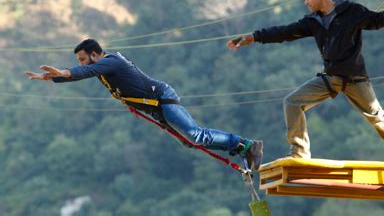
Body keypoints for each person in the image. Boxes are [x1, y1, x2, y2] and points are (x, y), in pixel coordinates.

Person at [227, 0, 384, 163]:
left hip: (354, 77)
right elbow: (284, 32)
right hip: (331, 78)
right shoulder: (313, 22)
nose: (306, 3)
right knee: (292, 103)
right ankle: (300, 154)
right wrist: (253, 37)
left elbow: (377, 20)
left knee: (377, 116)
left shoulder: (351, 11)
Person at [25, 39, 263, 170]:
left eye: (83, 59)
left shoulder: (111, 62)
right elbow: (84, 72)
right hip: (157, 107)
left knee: (196, 136)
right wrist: (55, 77)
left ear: (95, 55)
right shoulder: (102, 67)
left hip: (162, 99)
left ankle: (247, 145)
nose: (82, 63)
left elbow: (85, 71)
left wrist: (64, 73)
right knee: (189, 142)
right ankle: (240, 148)